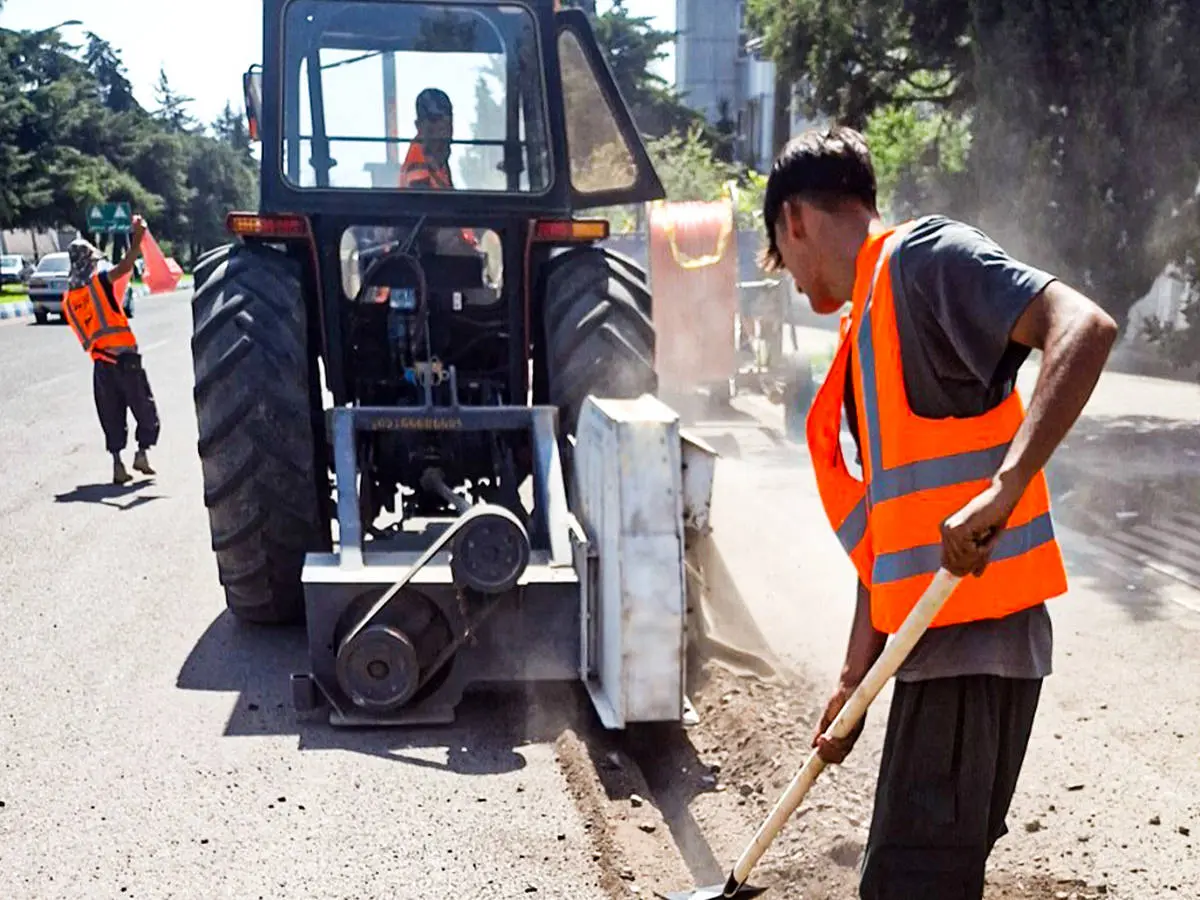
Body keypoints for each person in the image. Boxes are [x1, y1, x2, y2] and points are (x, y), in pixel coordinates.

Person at [761, 126, 1118, 899]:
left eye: (779, 254)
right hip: (938, 650)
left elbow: (1083, 327)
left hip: (975, 649)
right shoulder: (869, 327)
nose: (788, 279)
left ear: (794, 220)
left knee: (909, 888)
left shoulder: (923, 260)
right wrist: (853, 680)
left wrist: (1007, 483)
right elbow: (890, 537)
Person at [63, 217, 161, 485]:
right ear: (89, 262)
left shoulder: (70, 301)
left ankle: (118, 465)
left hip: (101, 366)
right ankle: (141, 454)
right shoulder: (100, 284)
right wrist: (138, 237)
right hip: (125, 360)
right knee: (146, 411)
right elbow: (126, 266)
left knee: (112, 415)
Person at [400, 88, 457, 190]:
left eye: (448, 119)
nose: (443, 128)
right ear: (419, 126)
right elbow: (425, 203)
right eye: (434, 120)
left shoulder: (437, 161)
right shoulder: (417, 165)